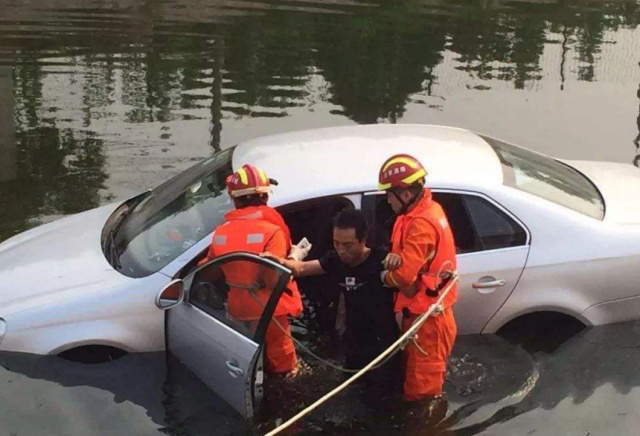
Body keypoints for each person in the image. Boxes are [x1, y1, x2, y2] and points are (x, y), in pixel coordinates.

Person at [262, 208, 402, 396]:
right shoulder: (334, 260)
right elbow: (301, 269)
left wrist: (397, 262)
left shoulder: (380, 261)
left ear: (363, 239)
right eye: (337, 243)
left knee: (382, 396)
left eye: (348, 245)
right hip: (353, 342)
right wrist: (277, 260)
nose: (342, 250)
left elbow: (409, 286)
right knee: (352, 392)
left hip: (384, 345)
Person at [198, 163, 306, 375]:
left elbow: (208, 271)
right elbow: (275, 279)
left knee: (246, 366)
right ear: (264, 197)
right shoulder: (273, 230)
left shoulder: (221, 233)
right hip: (271, 312)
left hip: (238, 310)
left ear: (235, 200)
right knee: (286, 369)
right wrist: (294, 257)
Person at [377, 153, 458, 402]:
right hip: (424, 318)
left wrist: (384, 275)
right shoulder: (425, 211)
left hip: (429, 324)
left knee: (421, 396)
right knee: (415, 380)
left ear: (405, 193)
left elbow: (403, 276)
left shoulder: (421, 223)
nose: (387, 200)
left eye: (389, 194)